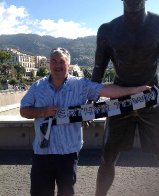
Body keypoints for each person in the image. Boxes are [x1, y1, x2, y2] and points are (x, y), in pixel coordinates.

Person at [91, 0, 159, 196]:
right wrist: (89, 101)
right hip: (120, 101)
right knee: (107, 158)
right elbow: (98, 69)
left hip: (152, 100)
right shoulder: (107, 30)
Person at [20, 47, 150, 196]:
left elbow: (108, 91)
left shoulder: (80, 85)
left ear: (68, 65)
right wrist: (42, 111)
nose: (57, 65)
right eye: (54, 61)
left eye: (62, 62)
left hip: (67, 155)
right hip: (41, 155)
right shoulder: (37, 87)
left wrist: (135, 90)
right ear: (49, 64)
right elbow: (24, 110)